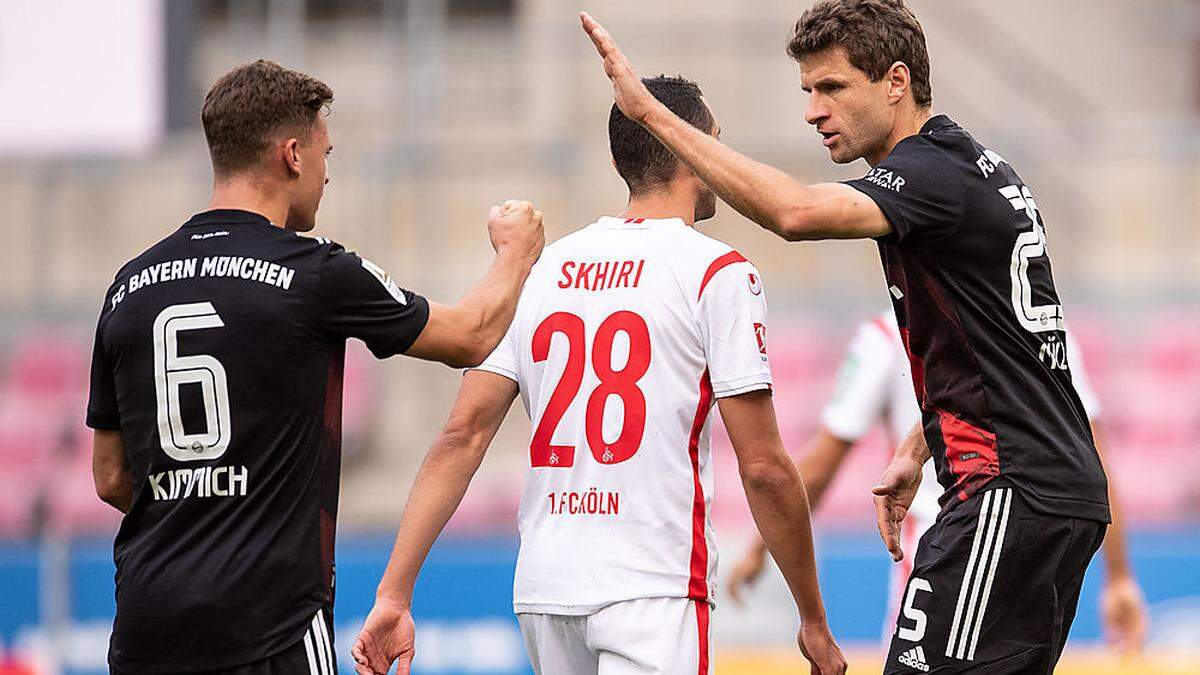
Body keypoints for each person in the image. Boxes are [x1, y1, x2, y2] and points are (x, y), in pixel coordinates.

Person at [581, 1, 1111, 672]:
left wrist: (653, 115)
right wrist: (925, 439)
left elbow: (795, 213)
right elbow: (1011, 348)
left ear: (895, 82)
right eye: (807, 91)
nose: (812, 110)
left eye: (831, 87)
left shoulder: (928, 174)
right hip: (1040, 490)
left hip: (1009, 491)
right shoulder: (977, 168)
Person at [350, 76, 846, 675]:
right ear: (696, 148)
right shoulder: (718, 272)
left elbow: (463, 435)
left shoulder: (539, 268)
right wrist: (813, 618)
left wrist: (394, 593)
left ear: (618, 161)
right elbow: (763, 466)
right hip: (653, 586)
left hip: (547, 588)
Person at [86, 59, 544, 675]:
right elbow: (471, 335)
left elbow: (112, 478)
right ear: (293, 155)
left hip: (145, 626)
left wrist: (198, 511)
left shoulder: (128, 286)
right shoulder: (315, 272)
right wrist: (516, 253)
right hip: (268, 628)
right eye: (327, 154)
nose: (328, 175)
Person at [725, 312, 1147, 653]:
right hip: (1022, 553)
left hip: (937, 559)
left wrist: (761, 547)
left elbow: (823, 462)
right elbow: (1091, 457)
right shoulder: (1043, 328)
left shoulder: (887, 337)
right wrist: (1119, 576)